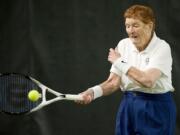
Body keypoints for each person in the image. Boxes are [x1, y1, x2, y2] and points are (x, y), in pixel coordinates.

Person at [77, 4, 176, 135]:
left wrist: (119, 62)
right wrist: (92, 92)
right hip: (128, 106)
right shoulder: (123, 45)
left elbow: (148, 81)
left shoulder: (162, 47)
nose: (130, 30)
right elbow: (113, 83)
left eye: (135, 25)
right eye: (127, 26)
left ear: (150, 26)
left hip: (156, 107)